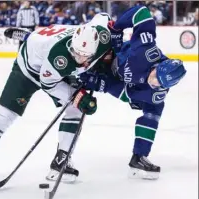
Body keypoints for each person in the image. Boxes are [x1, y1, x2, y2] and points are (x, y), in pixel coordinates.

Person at [0, 15, 112, 183]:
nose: (80, 59)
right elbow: (49, 84)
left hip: (43, 44)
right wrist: (79, 97)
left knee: (75, 110)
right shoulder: (59, 57)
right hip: (29, 69)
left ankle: (61, 160)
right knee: (4, 115)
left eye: (85, 57)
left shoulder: (101, 36)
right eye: (76, 54)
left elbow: (103, 16)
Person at [79, 5, 186, 180]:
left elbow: (125, 94)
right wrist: (117, 28)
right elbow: (141, 13)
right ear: (157, 65)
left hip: (113, 77)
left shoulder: (156, 94)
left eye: (160, 83)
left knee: (154, 112)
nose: (154, 82)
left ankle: (139, 157)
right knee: (99, 21)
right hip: (111, 51)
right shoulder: (145, 50)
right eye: (156, 76)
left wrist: (102, 84)